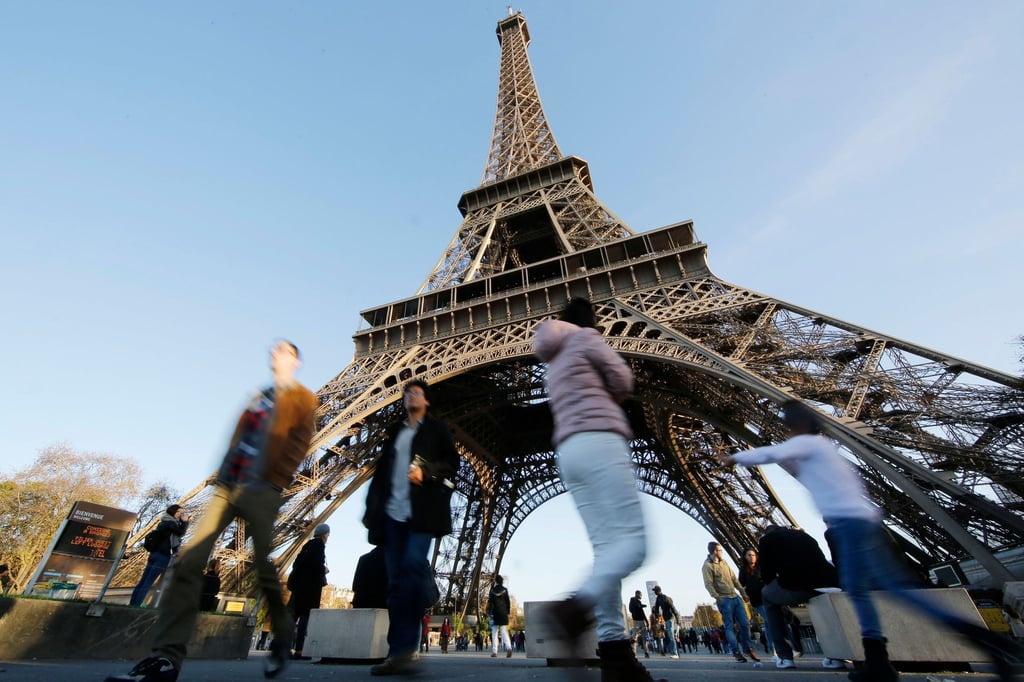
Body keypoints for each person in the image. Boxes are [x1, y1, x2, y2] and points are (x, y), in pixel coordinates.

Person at [719, 399, 1024, 682]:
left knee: (879, 592)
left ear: (798, 424)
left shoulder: (809, 444)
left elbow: (769, 453)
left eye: (790, 423)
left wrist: (732, 457)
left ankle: (983, 642)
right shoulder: (826, 451)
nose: (789, 429)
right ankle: (881, 659)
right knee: (870, 592)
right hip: (863, 523)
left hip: (849, 527)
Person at [107, 339, 319, 682]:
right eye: (274, 348)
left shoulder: (304, 398)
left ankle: (283, 632)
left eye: (283, 350)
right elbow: (238, 439)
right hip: (228, 486)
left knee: (263, 568)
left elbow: (300, 442)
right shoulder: (259, 396)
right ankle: (165, 658)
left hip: (264, 487)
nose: (274, 352)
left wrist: (276, 481)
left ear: (295, 361)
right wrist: (223, 476)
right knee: (188, 561)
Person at [533, 297, 665, 682]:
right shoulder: (587, 338)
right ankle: (572, 610)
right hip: (601, 441)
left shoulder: (554, 357)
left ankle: (615, 655)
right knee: (635, 545)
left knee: (607, 553)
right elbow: (622, 379)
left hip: (568, 450)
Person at [362, 378, 459, 676]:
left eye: (417, 392)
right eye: (407, 392)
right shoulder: (396, 433)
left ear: (426, 400)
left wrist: (426, 471)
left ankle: (407, 644)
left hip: (422, 513)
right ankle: (399, 652)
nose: (411, 396)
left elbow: (452, 462)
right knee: (395, 583)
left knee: (414, 567)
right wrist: (371, 508)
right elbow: (381, 474)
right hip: (393, 515)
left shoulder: (437, 430)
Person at [756, 525, 839, 669]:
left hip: (800, 587)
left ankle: (785, 656)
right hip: (830, 583)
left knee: (767, 595)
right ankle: (837, 655)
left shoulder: (766, 540)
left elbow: (767, 574)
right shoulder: (803, 535)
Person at [702, 542, 759, 663]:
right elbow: (708, 584)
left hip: (735, 597)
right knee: (729, 627)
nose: (721, 552)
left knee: (745, 624)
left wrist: (743, 593)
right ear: (714, 552)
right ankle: (736, 651)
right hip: (724, 599)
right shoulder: (707, 566)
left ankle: (747, 648)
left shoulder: (724, 562)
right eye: (720, 550)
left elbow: (734, 579)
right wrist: (718, 597)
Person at [129, 505, 190, 607]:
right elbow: (180, 532)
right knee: (148, 582)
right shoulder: (171, 523)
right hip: (163, 555)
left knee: (144, 580)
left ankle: (133, 603)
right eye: (179, 512)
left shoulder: (164, 521)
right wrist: (185, 522)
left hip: (155, 553)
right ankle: (136, 605)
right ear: (174, 512)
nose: (181, 514)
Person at [287, 523, 330, 661]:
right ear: (325, 534)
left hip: (298, 588)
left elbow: (297, 564)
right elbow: (316, 565)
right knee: (305, 619)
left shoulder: (307, 545)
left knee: (293, 617)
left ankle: (285, 648)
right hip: (310, 589)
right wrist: (324, 570)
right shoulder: (319, 545)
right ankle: (300, 650)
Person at [738, 547, 774, 660]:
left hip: (768, 597)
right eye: (749, 555)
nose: (751, 557)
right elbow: (740, 584)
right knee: (769, 620)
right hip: (757, 600)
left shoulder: (761, 567)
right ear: (745, 557)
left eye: (753, 555)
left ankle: (773, 648)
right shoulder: (743, 571)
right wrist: (745, 594)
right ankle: (775, 647)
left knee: (769, 622)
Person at [650, 586, 681, 659]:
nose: (654, 592)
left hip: (670, 617)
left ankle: (675, 653)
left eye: (655, 591)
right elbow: (656, 608)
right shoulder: (658, 598)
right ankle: (676, 653)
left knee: (671, 636)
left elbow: (673, 608)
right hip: (666, 618)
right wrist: (657, 617)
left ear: (658, 591)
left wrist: (677, 619)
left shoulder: (665, 598)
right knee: (670, 636)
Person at [488, 574, 513, 657]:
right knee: (504, 632)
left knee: (494, 632)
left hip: (495, 613)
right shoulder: (505, 590)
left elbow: (491, 603)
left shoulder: (492, 591)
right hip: (503, 613)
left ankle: (494, 651)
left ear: (496, 581)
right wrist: (507, 612)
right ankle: (509, 647)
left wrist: (490, 613)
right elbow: (508, 602)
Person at [628, 590, 651, 658]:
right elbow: (632, 609)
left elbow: (642, 613)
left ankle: (646, 652)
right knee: (635, 637)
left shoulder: (638, 602)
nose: (641, 596)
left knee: (644, 637)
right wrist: (642, 606)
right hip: (636, 621)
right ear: (637, 594)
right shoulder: (633, 600)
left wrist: (646, 621)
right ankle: (634, 653)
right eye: (640, 594)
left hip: (641, 620)